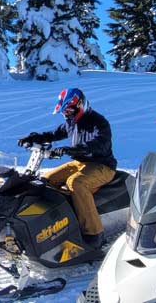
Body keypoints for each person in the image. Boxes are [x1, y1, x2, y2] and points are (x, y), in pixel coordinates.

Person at [17, 88, 117, 247]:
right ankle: (54, 225)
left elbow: (100, 144)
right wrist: (33, 137)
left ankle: (94, 234)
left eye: (69, 109)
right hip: (79, 162)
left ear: (80, 105)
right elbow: (52, 134)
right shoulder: (71, 123)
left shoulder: (98, 122)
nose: (67, 114)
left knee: (76, 183)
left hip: (102, 165)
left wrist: (73, 149)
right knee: (44, 181)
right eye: (65, 111)